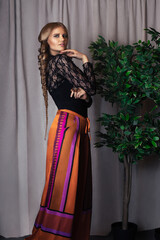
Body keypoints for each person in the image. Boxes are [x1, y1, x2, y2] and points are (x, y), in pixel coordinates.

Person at [25, 22, 96, 240]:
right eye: (56, 35)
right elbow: (92, 87)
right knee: (66, 185)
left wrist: (85, 95)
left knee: (74, 185)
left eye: (64, 35)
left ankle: (66, 234)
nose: (62, 39)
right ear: (47, 40)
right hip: (69, 126)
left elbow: (88, 98)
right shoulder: (61, 61)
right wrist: (85, 59)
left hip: (76, 125)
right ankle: (56, 235)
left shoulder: (56, 64)